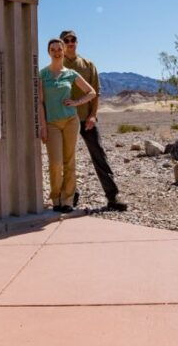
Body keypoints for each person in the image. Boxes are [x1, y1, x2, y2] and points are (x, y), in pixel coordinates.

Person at [59, 30, 128, 211]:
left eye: (73, 39)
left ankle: (113, 196)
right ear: (62, 43)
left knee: (99, 156)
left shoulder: (88, 65)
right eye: (66, 40)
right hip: (66, 120)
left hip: (86, 120)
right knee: (67, 158)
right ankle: (71, 194)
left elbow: (95, 93)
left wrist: (92, 115)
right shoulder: (59, 66)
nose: (70, 43)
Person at [39, 38, 96, 213]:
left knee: (69, 161)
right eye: (53, 49)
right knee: (55, 162)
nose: (56, 52)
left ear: (63, 51)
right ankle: (56, 197)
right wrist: (42, 125)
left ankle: (68, 200)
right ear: (48, 52)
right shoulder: (42, 74)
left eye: (59, 49)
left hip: (71, 121)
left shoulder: (70, 74)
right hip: (52, 123)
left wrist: (76, 102)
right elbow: (40, 102)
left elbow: (91, 92)